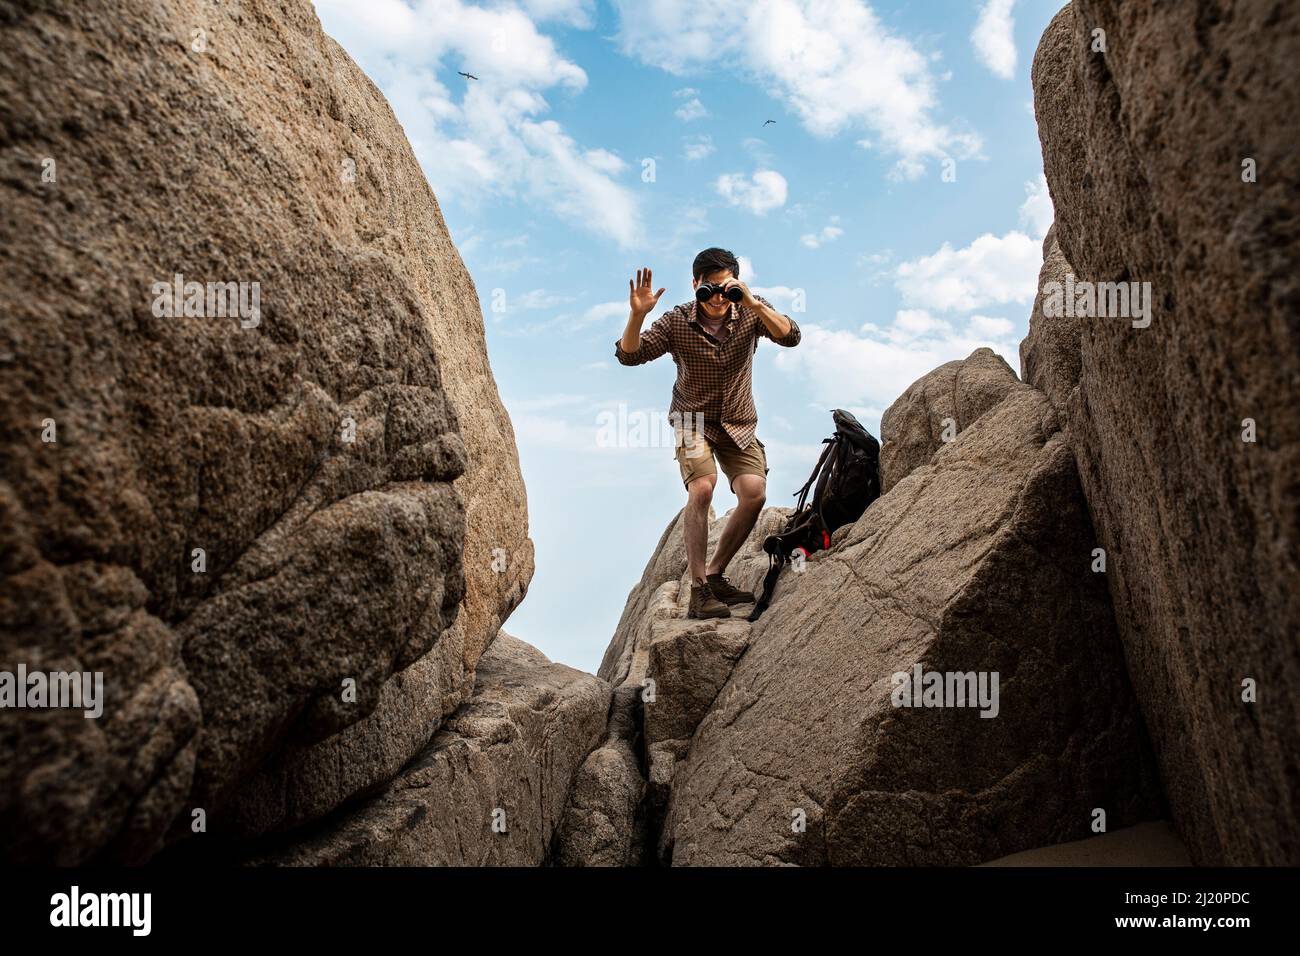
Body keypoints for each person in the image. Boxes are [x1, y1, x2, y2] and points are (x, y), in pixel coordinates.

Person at [615, 247, 802, 619]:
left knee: (754, 492)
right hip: (692, 421)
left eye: (725, 289)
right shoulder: (677, 321)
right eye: (708, 289)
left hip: (737, 420)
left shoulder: (750, 311)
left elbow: (791, 336)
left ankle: (716, 574)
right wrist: (637, 316)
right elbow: (630, 355)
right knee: (702, 487)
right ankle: (699, 591)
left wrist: (752, 303)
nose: (717, 298)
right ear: (695, 284)